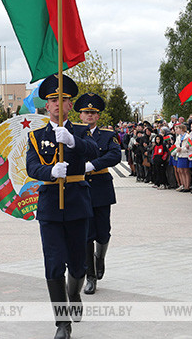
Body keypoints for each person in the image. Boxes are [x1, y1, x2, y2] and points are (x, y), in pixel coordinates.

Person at [26, 74, 99, 339]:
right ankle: (61, 322)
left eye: (63, 99)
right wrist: (49, 172)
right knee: (54, 265)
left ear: (70, 105)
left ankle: (74, 293)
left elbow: (93, 152)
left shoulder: (80, 130)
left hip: (77, 203)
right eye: (52, 100)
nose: (58, 104)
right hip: (49, 207)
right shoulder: (36, 136)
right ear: (46, 105)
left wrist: (71, 141)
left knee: (78, 265)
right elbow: (31, 167)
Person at [74, 93, 121, 296]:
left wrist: (93, 164)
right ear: (80, 115)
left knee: (103, 233)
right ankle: (90, 277)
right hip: (80, 188)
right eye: (86, 112)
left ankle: (99, 258)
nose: (89, 116)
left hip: (101, 188)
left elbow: (115, 154)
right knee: (86, 234)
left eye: (93, 113)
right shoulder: (73, 134)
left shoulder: (107, 135)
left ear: (98, 116)